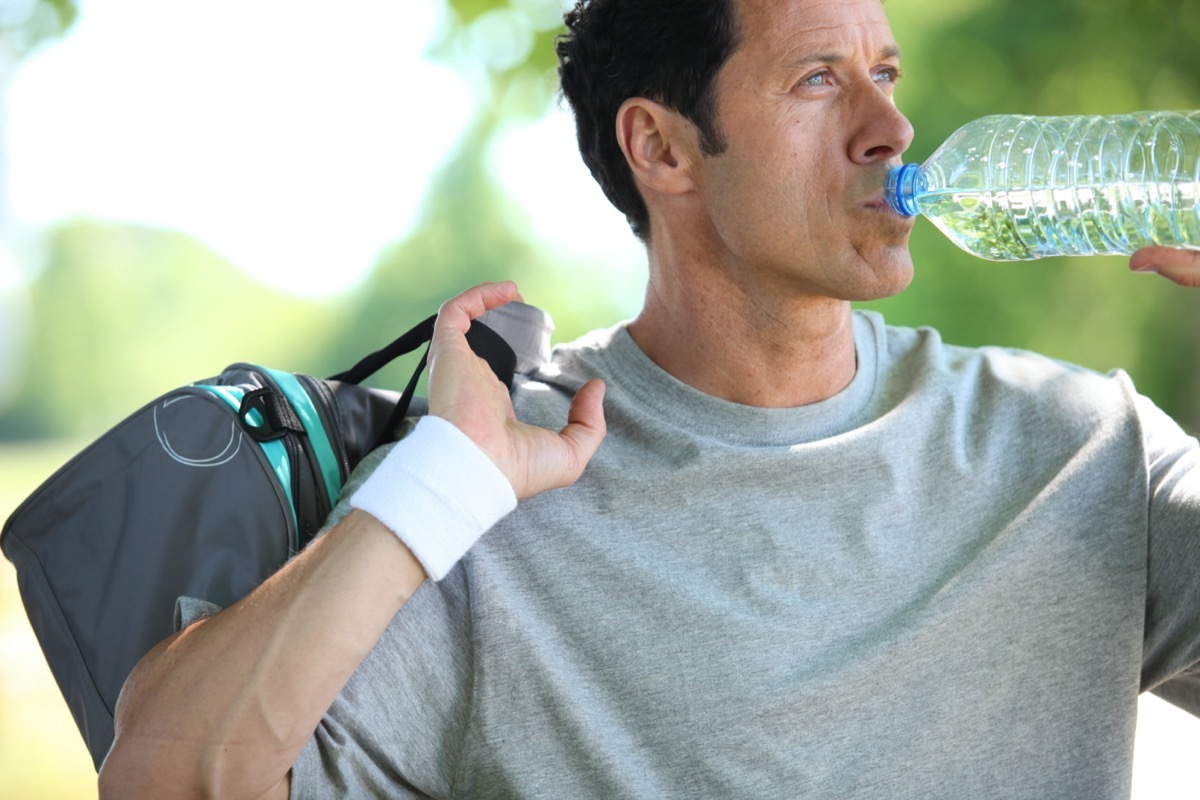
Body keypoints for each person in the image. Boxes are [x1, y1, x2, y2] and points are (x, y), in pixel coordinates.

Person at [98, 0, 1200, 797]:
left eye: (887, 74)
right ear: (662, 147)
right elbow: (164, 779)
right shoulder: (486, 487)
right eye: (819, 79)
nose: (890, 128)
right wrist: (432, 490)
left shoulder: (1080, 447)